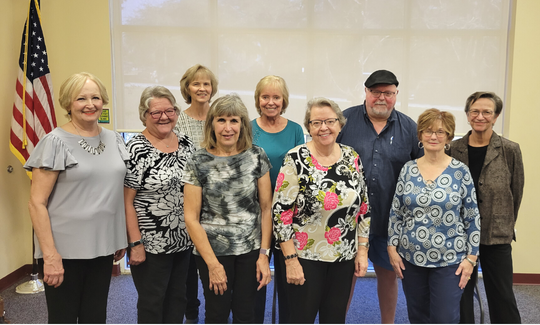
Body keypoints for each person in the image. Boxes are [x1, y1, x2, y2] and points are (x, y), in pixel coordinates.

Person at [25, 72, 128, 323]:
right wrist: (49, 256)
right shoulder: (55, 142)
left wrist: (119, 235)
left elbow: (113, 192)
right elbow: (36, 202)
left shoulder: (114, 139)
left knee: (95, 316)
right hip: (64, 251)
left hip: (102, 247)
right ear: (68, 103)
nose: (90, 104)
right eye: (81, 98)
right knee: (64, 318)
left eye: (95, 97)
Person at [273, 97, 371, 324]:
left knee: (335, 319)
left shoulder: (352, 156)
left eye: (329, 121)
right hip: (304, 257)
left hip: (344, 257)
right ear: (308, 127)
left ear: (340, 124)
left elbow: (364, 207)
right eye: (316, 122)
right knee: (300, 318)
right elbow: (281, 213)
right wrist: (290, 260)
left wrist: (363, 251)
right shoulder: (295, 158)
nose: (324, 127)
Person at [336, 69, 422, 323]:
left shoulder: (409, 128)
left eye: (388, 93)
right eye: (376, 92)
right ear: (366, 92)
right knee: (346, 276)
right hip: (348, 220)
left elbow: (421, 172)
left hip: (390, 219)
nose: (381, 98)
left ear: (396, 95)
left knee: (387, 274)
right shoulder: (343, 121)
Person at [183, 94, 273, 324]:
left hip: (250, 250)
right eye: (221, 120)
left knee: (247, 313)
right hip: (212, 251)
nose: (227, 128)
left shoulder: (256, 156)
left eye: (234, 120)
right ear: (211, 123)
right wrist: (213, 265)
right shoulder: (197, 160)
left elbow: (266, 209)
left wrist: (264, 255)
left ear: (242, 124)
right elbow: (191, 218)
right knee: (217, 313)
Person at [387, 108, 480, 323]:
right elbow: (396, 212)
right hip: (411, 258)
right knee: (418, 315)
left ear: (448, 137)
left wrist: (471, 258)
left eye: (440, 132)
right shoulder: (408, 169)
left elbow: (472, 217)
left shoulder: (460, 171)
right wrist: (392, 248)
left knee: (444, 317)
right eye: (428, 131)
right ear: (419, 136)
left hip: (450, 260)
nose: (433, 136)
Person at [449, 92, 524, 324]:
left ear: (496, 116)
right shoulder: (453, 149)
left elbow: (516, 192)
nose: (480, 116)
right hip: (459, 235)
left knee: (501, 295)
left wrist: (505, 222)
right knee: (460, 294)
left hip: (496, 234)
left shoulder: (510, 150)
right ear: (468, 115)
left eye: (486, 112)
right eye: (475, 111)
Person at [124, 86, 195, 323]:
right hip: (150, 244)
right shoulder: (135, 148)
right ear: (144, 115)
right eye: (156, 112)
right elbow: (126, 200)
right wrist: (135, 243)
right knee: (153, 302)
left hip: (183, 240)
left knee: (178, 299)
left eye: (170, 110)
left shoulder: (186, 144)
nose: (164, 117)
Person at [251, 75, 305, 323]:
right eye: (265, 97)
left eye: (276, 97)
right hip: (255, 213)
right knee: (255, 277)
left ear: (284, 100)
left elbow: (301, 171)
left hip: (287, 215)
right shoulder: (248, 128)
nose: (270, 102)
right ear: (258, 99)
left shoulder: (295, 130)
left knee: (289, 277)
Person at [173, 64, 218, 323]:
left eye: (206, 84)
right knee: (188, 271)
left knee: (217, 264)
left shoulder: (220, 116)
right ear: (187, 88)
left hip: (217, 206)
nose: (202, 88)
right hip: (186, 203)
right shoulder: (177, 120)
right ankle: (191, 315)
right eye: (196, 84)